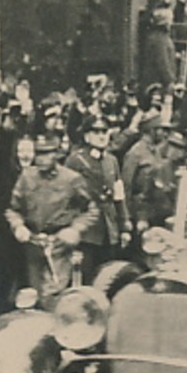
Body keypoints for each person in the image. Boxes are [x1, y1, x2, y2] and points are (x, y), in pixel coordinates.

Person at [5, 136, 97, 301]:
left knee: (53, 294)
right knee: (34, 295)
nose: (41, 159)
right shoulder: (27, 176)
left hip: (59, 245)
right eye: (38, 154)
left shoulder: (71, 179)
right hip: (33, 244)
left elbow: (91, 210)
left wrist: (75, 229)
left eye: (46, 154)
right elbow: (13, 209)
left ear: (56, 154)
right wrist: (18, 226)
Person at [63, 117, 129, 281]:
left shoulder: (111, 161)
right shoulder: (75, 160)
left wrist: (124, 225)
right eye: (96, 132)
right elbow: (66, 196)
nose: (101, 136)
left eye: (104, 132)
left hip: (109, 229)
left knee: (107, 278)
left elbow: (119, 195)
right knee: (84, 278)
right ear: (86, 137)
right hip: (87, 233)